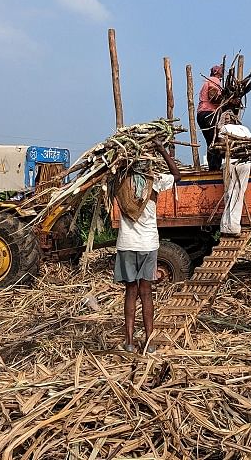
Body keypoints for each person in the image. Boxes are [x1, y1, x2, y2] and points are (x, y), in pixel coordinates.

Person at [114, 140, 181, 353]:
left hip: (126, 245)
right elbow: (177, 175)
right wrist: (162, 150)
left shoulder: (121, 182)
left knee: (130, 292)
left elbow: (109, 170)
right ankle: (149, 342)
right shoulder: (156, 181)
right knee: (146, 292)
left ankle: (130, 341)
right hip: (148, 244)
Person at [217, 112, 251, 236]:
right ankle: (229, 226)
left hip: (231, 161)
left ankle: (230, 227)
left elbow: (221, 145)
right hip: (245, 162)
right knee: (238, 193)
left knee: (230, 193)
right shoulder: (246, 129)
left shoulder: (224, 128)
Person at [196, 64, 224, 170]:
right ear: (216, 72)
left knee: (210, 141)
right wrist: (225, 98)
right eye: (221, 71)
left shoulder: (207, 82)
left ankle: (212, 166)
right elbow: (213, 96)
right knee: (215, 140)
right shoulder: (214, 80)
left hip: (201, 113)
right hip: (209, 113)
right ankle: (215, 167)